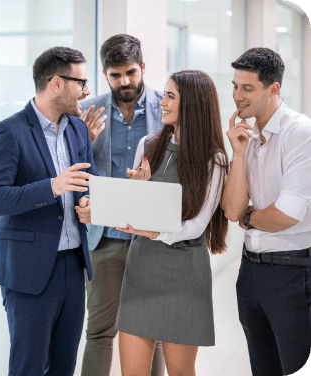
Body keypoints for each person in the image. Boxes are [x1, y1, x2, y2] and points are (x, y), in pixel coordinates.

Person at [0, 46, 98, 376]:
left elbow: (89, 178)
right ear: (57, 83)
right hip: (28, 273)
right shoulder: (8, 132)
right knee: (28, 367)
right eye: (81, 82)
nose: (87, 91)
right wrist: (52, 187)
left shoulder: (77, 128)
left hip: (73, 267)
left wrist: (89, 202)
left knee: (63, 366)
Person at [114, 70, 229, 376]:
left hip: (183, 274)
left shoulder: (214, 159)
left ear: (192, 103)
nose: (161, 102)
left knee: (180, 372)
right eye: (164, 94)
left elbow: (198, 224)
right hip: (142, 269)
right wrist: (136, 192)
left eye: (170, 96)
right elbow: (135, 211)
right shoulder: (148, 145)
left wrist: (155, 230)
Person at [76, 34, 166, 376]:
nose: (125, 81)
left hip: (151, 239)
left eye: (131, 72)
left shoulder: (167, 107)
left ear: (142, 67)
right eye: (116, 75)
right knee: (99, 330)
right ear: (104, 73)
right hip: (106, 238)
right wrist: (84, 143)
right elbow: (72, 173)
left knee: (151, 331)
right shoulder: (87, 112)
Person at [222, 47, 311, 376]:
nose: (237, 97)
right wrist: (239, 154)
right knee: (263, 368)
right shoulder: (247, 136)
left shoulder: (300, 134)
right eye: (235, 86)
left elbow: (287, 215)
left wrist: (250, 218)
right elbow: (231, 210)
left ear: (274, 89)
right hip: (250, 275)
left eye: (247, 88)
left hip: (291, 273)